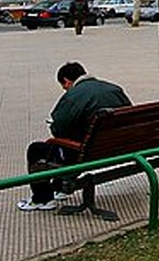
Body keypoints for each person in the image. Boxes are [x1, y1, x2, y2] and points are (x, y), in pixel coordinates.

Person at [17, 62, 132, 212]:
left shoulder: (74, 95)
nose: (65, 89)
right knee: (67, 145)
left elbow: (58, 129)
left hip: (85, 152)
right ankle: (60, 189)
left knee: (37, 149)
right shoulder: (114, 89)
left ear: (67, 81)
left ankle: (42, 199)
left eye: (64, 86)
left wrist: (54, 126)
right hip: (116, 147)